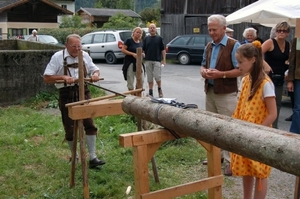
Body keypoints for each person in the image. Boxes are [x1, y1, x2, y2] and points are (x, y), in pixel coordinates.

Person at [43, 34, 105, 169]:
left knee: (90, 124)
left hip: (84, 92)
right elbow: (47, 78)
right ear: (66, 46)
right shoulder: (58, 57)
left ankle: (93, 157)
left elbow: (95, 69)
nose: (77, 49)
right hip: (67, 94)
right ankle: (75, 155)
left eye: (79, 46)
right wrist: (63, 77)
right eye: (74, 46)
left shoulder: (85, 56)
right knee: (70, 128)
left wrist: (95, 75)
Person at [231, 41, 277, 199]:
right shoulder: (245, 80)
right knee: (247, 169)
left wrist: (258, 130)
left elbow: (273, 113)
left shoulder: (266, 84)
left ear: (253, 60)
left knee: (260, 172)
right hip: (245, 131)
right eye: (237, 62)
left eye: (241, 62)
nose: (238, 66)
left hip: (260, 134)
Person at [200, 14, 242, 176]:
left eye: (214, 29)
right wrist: (203, 72)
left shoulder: (234, 45)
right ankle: (215, 156)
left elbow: (241, 70)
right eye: (210, 29)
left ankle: (232, 161)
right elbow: (202, 65)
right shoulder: (209, 46)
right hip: (210, 91)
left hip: (226, 93)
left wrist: (221, 74)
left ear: (224, 28)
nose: (211, 32)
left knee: (228, 128)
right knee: (211, 126)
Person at [261, 21, 290, 129]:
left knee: (277, 103)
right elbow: (257, 53)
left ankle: (274, 127)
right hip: (268, 77)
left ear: (288, 33)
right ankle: (263, 126)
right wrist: (266, 65)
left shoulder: (288, 44)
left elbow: (287, 60)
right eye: (279, 30)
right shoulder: (270, 42)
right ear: (276, 32)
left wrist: (288, 71)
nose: (281, 33)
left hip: (279, 78)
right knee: (265, 102)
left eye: (284, 31)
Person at [143, 23, 166, 98]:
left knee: (157, 76)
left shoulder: (159, 38)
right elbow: (143, 50)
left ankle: (159, 90)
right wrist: (143, 55)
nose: (152, 29)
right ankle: (150, 92)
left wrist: (164, 60)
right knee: (149, 77)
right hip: (148, 60)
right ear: (149, 29)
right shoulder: (146, 38)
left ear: (156, 29)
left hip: (157, 60)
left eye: (153, 27)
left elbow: (163, 50)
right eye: (151, 28)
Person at [121, 27, 144, 91]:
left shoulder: (141, 43)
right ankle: (131, 94)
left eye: (140, 33)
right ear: (133, 33)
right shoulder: (129, 40)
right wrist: (132, 54)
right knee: (130, 80)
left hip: (139, 63)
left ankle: (137, 93)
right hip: (130, 62)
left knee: (141, 80)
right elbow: (123, 50)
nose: (138, 34)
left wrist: (143, 54)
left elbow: (142, 51)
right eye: (137, 32)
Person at [287, 37, 300, 133]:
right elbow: (292, 60)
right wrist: (290, 80)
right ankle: (295, 133)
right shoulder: (298, 40)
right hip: (298, 78)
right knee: (298, 107)